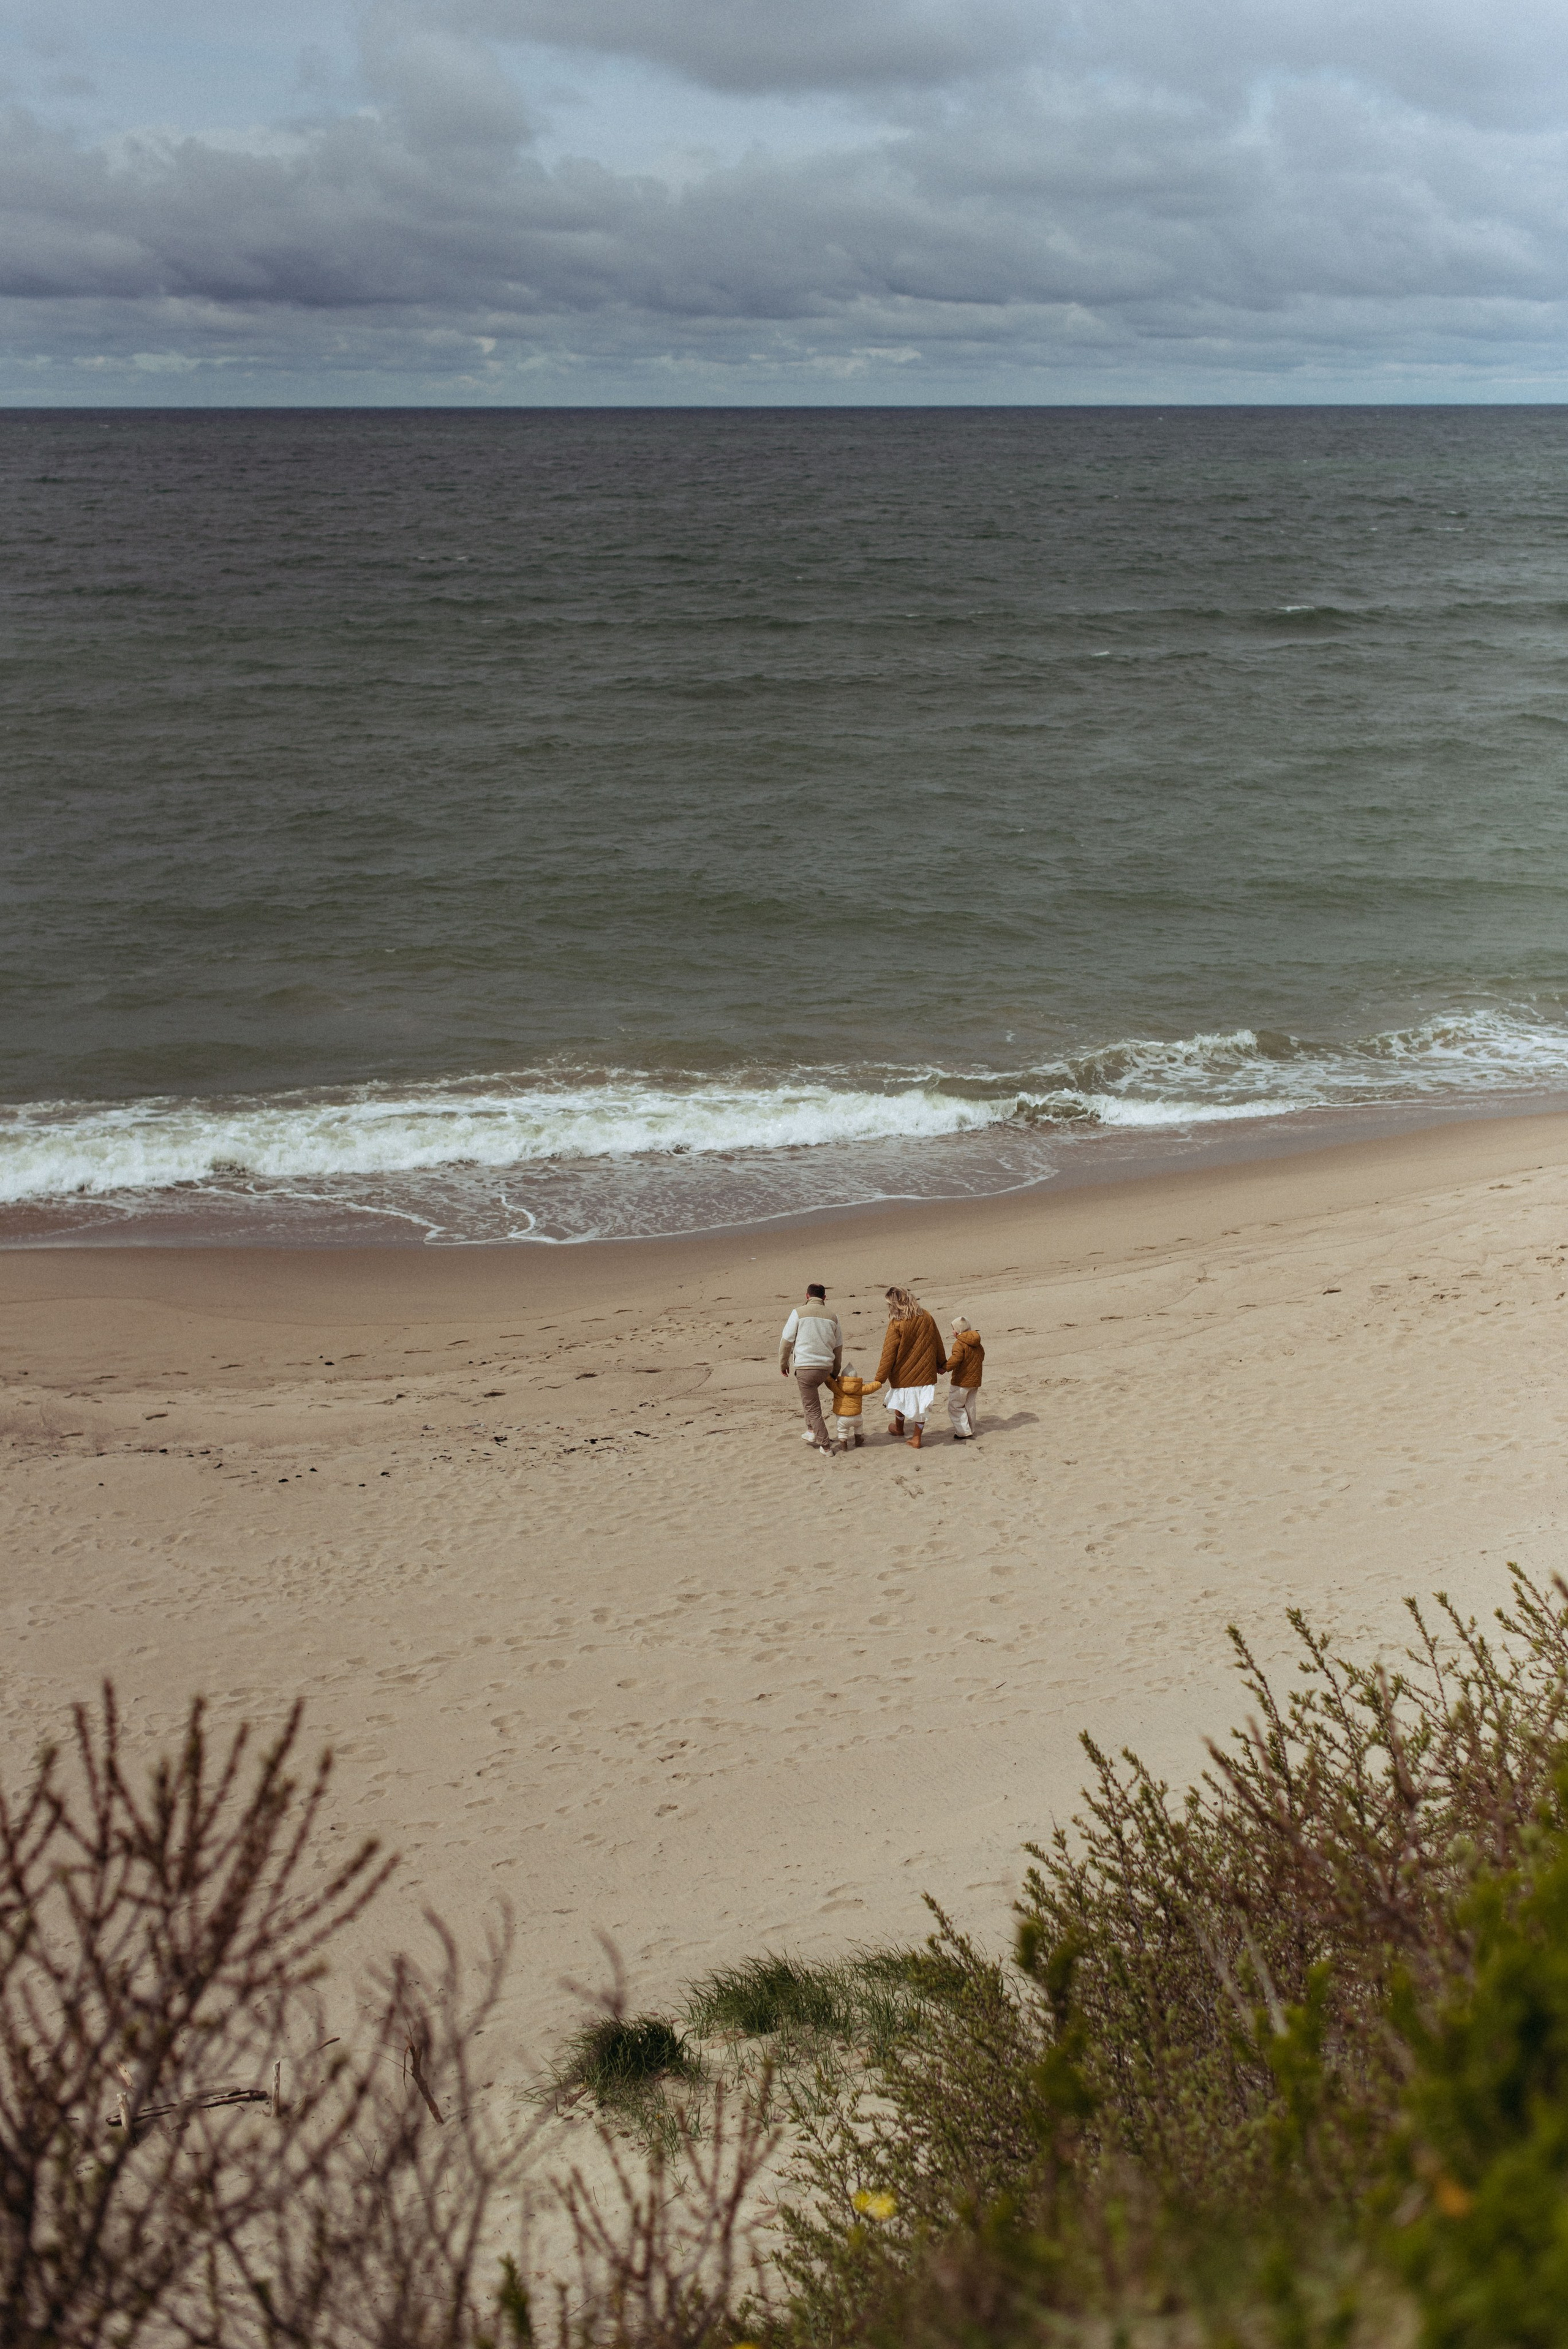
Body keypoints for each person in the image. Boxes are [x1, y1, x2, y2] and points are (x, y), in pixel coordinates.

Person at [872, 1285, 948, 1449]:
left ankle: (900, 1429)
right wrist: (941, 1363)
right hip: (925, 1371)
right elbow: (937, 1341)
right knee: (921, 1405)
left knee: (901, 1399)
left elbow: (888, 1353)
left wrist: (880, 1379)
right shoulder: (926, 1316)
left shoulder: (897, 1323)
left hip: (902, 1372)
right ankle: (916, 1437)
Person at [778, 1283, 843, 1454]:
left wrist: (783, 1364)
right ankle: (811, 1431)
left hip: (806, 1368)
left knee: (813, 1407)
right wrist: (835, 1372)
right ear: (824, 1298)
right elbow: (838, 1348)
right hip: (825, 1368)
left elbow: (786, 1341)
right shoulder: (833, 1317)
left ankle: (826, 1446)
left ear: (807, 1296)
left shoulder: (798, 1312)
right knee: (810, 1401)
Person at [826, 1362, 882, 1452]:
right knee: (859, 1426)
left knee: (842, 1431)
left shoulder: (837, 1387)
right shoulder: (860, 1388)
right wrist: (879, 1383)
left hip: (842, 1417)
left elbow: (829, 1382)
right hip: (857, 1416)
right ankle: (858, 1440)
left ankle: (844, 1447)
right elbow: (871, 1387)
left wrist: (827, 1374)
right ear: (856, 1378)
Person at [945, 1314, 984, 1440]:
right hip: (975, 1380)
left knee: (955, 1405)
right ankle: (970, 1429)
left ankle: (963, 1431)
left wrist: (945, 1367)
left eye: (953, 1329)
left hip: (961, 1381)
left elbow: (956, 1359)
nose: (952, 1332)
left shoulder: (959, 1344)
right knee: (970, 1405)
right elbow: (982, 1356)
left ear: (958, 1332)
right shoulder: (977, 1343)